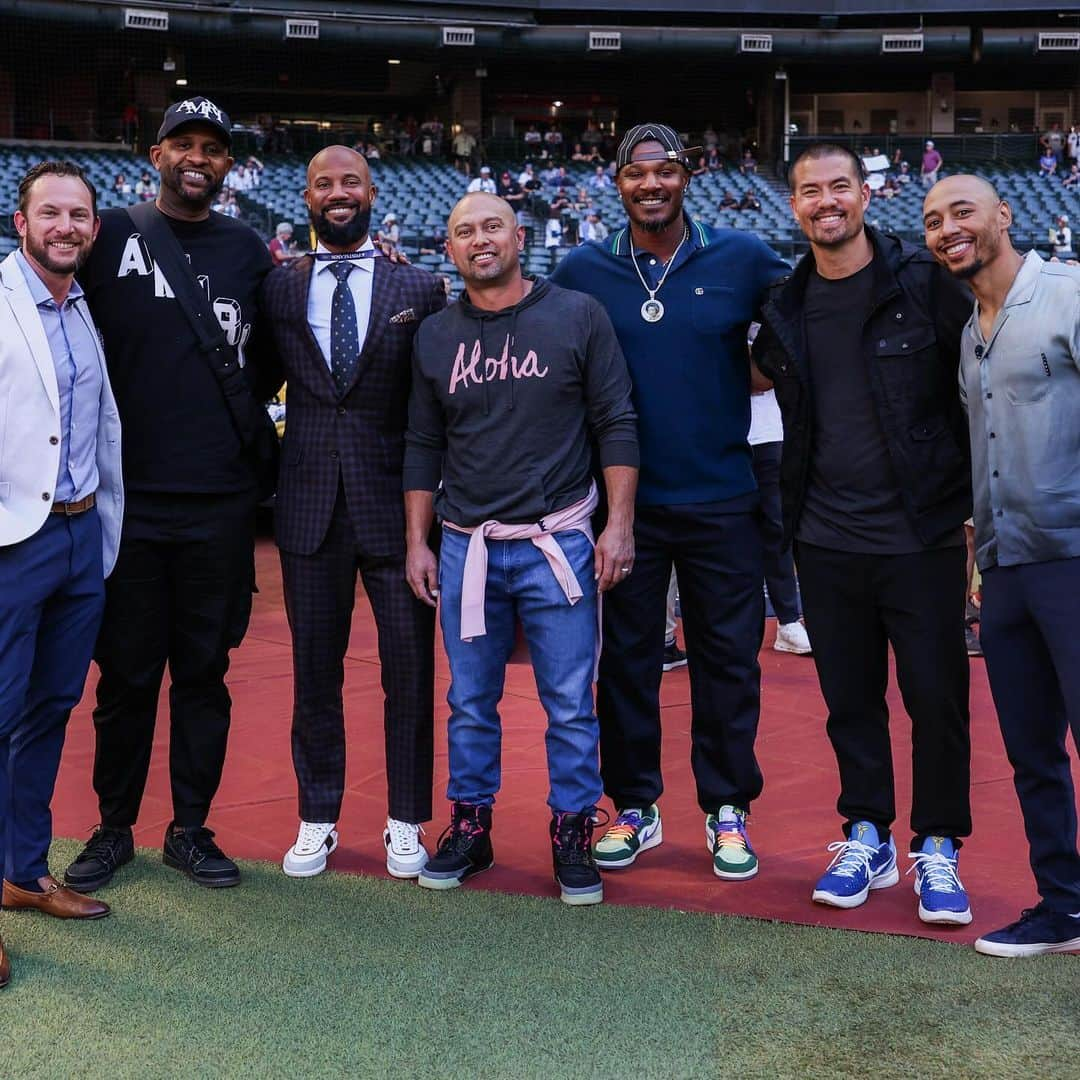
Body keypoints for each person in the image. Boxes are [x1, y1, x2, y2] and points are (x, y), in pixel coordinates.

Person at [551, 122, 788, 881]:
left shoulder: (742, 256)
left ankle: (726, 809)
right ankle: (635, 805)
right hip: (623, 505)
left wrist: (765, 368)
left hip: (723, 492)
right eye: (636, 173)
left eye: (666, 171)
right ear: (615, 183)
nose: (651, 184)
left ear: (689, 177)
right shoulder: (583, 268)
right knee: (625, 660)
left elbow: (809, 311)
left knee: (727, 660)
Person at [753, 143, 975, 925]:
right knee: (850, 702)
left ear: (866, 194)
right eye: (810, 191)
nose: (826, 202)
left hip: (924, 535)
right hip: (824, 537)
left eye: (839, 186)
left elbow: (975, 389)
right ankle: (867, 832)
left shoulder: (926, 283)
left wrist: (976, 504)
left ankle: (939, 845)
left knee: (936, 699)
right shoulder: (784, 303)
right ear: (795, 206)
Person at [64, 96, 281, 893]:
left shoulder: (249, 250)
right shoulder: (110, 234)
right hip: (125, 500)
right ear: (155, 154)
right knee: (122, 677)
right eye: (183, 143)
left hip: (219, 502)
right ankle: (113, 825)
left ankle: (191, 827)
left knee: (203, 672)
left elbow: (267, 368)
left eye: (214, 148)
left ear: (230, 165)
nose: (199, 158)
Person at [404, 192, 638, 905]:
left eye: (492, 226)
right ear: (449, 250)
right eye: (464, 230)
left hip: (556, 539)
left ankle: (571, 829)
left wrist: (619, 524)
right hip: (466, 543)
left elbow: (616, 421)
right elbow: (423, 443)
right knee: (469, 700)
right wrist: (417, 540)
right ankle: (472, 827)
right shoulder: (436, 335)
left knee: (568, 701)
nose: (480, 240)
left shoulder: (576, 315)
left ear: (519, 235)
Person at [260, 146, 445, 879]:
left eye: (350, 183)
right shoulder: (277, 288)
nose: (338, 194)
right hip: (308, 511)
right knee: (313, 674)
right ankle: (318, 816)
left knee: (409, 673)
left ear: (372, 193)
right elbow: (253, 387)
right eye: (323, 184)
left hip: (398, 517)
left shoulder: (421, 286)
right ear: (305, 196)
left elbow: (435, 412)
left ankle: (406, 819)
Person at [923, 174, 1080, 958]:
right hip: (1008, 567)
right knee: (1032, 753)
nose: (947, 228)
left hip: (1075, 557)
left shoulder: (1068, 294)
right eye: (931, 221)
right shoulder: (967, 330)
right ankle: (1065, 905)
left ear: (1004, 216)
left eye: (962, 212)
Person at [0, 162, 124, 986]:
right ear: (21, 221)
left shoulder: (83, 309)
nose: (66, 226)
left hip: (81, 540)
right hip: (13, 545)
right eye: (51, 213)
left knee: (49, 710)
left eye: (79, 214)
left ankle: (21, 871)